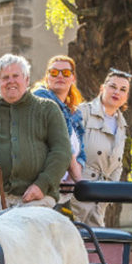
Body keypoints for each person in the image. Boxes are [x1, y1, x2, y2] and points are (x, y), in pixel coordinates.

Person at [0, 53, 71, 214]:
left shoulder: (48, 109)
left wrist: (42, 184)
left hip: (35, 196)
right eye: (5, 77)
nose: (11, 81)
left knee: (31, 232)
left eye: (16, 76)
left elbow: (61, 151)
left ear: (26, 80)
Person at [70, 68, 132, 226]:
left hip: (101, 196)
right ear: (102, 88)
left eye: (123, 89)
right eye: (113, 86)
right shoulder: (83, 112)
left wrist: (110, 193)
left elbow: (117, 164)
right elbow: (68, 148)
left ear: (126, 97)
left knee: (95, 243)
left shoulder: (122, 125)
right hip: (78, 191)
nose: (117, 92)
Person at [32, 55, 86, 186]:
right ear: (47, 77)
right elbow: (62, 141)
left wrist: (70, 181)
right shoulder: (41, 98)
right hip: (40, 181)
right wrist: (78, 180)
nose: (60, 76)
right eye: (54, 72)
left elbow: (81, 152)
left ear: (73, 78)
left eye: (66, 73)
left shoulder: (75, 113)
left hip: (62, 186)